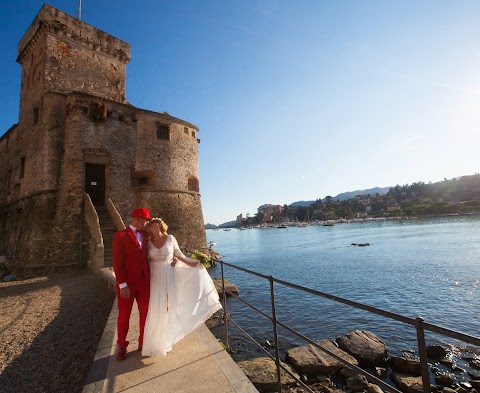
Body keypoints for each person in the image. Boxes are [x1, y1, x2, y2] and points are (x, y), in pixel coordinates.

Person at [142, 217, 222, 357]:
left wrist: (192, 264)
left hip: (169, 272)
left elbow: (178, 254)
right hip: (155, 276)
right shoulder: (148, 242)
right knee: (157, 306)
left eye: (153, 223)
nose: (150, 225)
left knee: (169, 304)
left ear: (159, 225)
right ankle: (155, 340)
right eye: (149, 224)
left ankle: (167, 339)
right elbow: (144, 260)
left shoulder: (170, 238)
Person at [112, 207, 151, 361]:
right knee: (124, 315)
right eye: (145, 220)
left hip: (144, 282)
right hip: (127, 284)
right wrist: (122, 285)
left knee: (145, 314)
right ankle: (122, 345)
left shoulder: (146, 236)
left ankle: (143, 342)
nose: (147, 223)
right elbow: (116, 263)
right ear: (137, 220)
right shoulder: (120, 236)